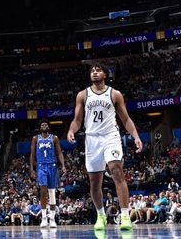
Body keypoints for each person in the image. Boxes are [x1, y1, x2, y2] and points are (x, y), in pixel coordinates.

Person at [66, 65, 143, 231]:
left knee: (116, 171)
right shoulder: (83, 95)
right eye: (92, 71)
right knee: (94, 182)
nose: (94, 72)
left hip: (111, 137)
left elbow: (126, 119)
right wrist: (71, 130)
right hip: (92, 139)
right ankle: (101, 216)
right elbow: (77, 120)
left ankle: (124, 215)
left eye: (98, 70)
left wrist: (136, 137)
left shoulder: (114, 94)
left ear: (105, 75)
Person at [30, 119, 66, 227]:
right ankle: (44, 218)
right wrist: (32, 169)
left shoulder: (54, 138)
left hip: (52, 166)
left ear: (49, 127)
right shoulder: (36, 138)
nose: (44, 126)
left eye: (46, 124)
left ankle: (52, 219)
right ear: (40, 127)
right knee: (43, 191)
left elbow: (59, 152)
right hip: (41, 166)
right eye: (42, 125)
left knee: (52, 193)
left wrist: (63, 165)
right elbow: (32, 154)